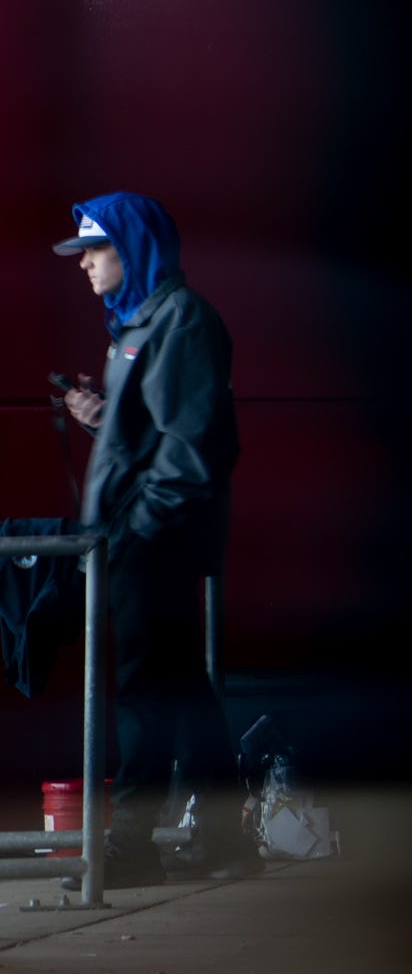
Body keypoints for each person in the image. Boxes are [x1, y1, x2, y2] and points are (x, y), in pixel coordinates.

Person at [54, 196, 245, 885]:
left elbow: (192, 452)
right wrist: (100, 415)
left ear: (132, 249)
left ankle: (132, 849)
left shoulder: (181, 320)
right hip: (136, 539)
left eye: (95, 252)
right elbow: (156, 432)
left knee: (143, 696)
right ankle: (226, 841)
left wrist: (135, 532)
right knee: (181, 694)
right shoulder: (141, 324)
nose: (85, 266)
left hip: (148, 544)